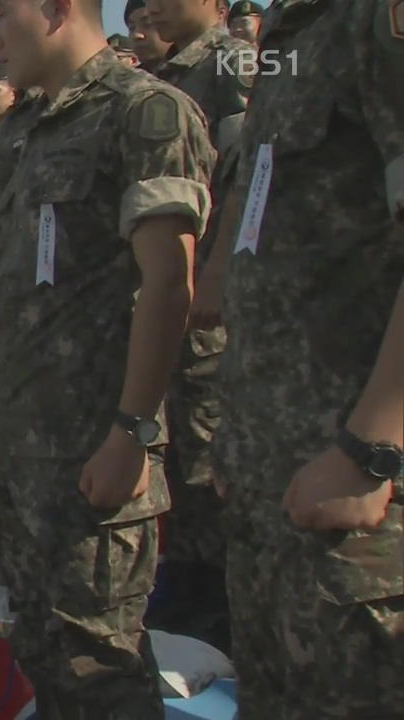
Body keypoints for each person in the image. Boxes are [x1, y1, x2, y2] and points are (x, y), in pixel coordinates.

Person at [0, 0, 215, 716]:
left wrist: (132, 431)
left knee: (100, 670)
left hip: (96, 452)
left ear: (55, 8)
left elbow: (169, 285)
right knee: (43, 657)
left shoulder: (143, 112)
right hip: (20, 455)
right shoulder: (16, 133)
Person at [213, 3, 403, 717]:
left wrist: (371, 447)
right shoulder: (291, 37)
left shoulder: (372, 20)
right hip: (273, 487)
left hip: (358, 502)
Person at [145, 0, 254, 653]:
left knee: (209, 440)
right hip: (169, 287)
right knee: (178, 439)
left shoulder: (230, 60)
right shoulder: (167, 79)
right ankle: (186, 579)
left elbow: (242, 167)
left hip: (210, 289)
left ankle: (221, 588)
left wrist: (216, 266)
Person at [126, 0, 174, 73]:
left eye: (148, 24)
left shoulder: (195, 73)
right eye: (131, 28)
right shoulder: (129, 80)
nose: (137, 35)